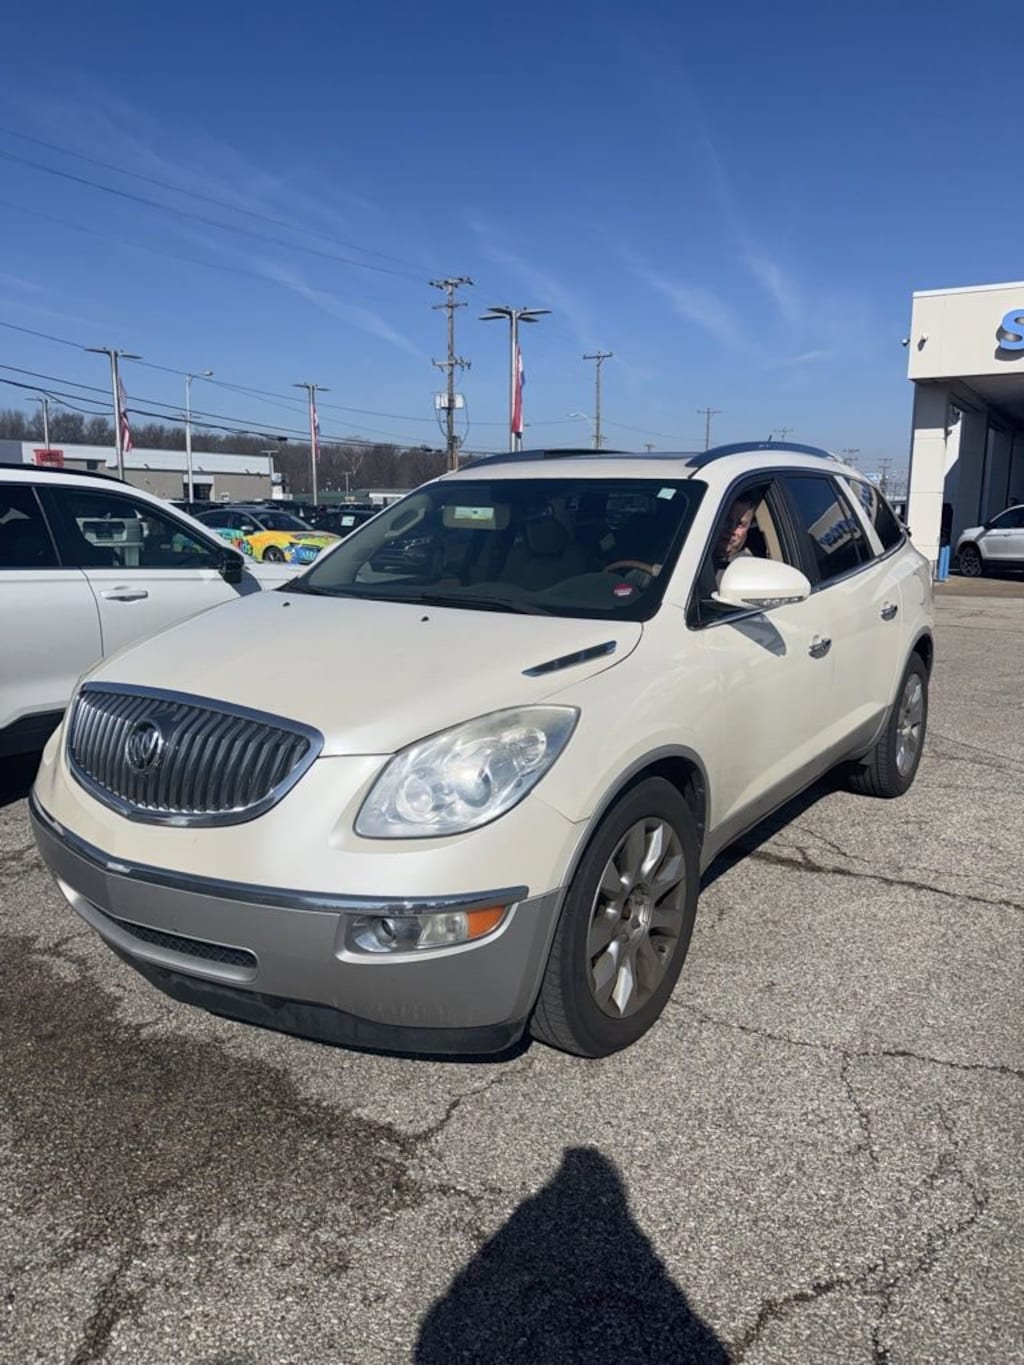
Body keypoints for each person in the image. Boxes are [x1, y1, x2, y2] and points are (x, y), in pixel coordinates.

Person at [713, 493, 758, 585]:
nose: (731, 529)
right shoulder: (689, 556)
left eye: (740, 524)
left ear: (749, 527)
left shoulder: (749, 572)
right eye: (726, 520)